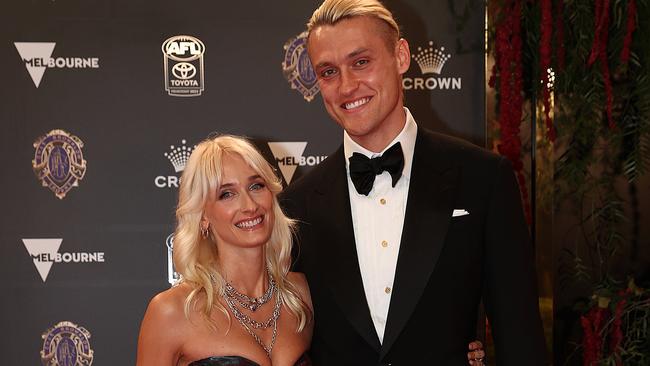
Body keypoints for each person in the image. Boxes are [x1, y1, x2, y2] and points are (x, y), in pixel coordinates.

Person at [280, 0, 548, 365]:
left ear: (401, 56)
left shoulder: (482, 177)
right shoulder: (296, 206)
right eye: (328, 71)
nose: (346, 86)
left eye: (361, 62)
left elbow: (521, 335)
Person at [136, 135, 313, 366]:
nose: (250, 206)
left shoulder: (299, 294)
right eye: (226, 194)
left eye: (256, 186)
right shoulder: (171, 312)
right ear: (203, 217)